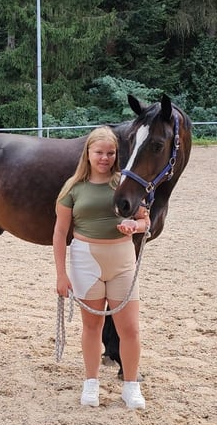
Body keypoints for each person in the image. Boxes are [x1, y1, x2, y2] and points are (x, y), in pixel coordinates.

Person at [52, 126, 150, 409]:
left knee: (129, 329)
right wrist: (61, 273)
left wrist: (136, 224)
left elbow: (146, 220)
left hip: (121, 260)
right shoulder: (72, 188)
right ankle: (91, 382)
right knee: (91, 326)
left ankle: (131, 386)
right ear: (88, 154)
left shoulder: (124, 183)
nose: (105, 158)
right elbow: (60, 233)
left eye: (110, 153)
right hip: (86, 261)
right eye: (99, 152)